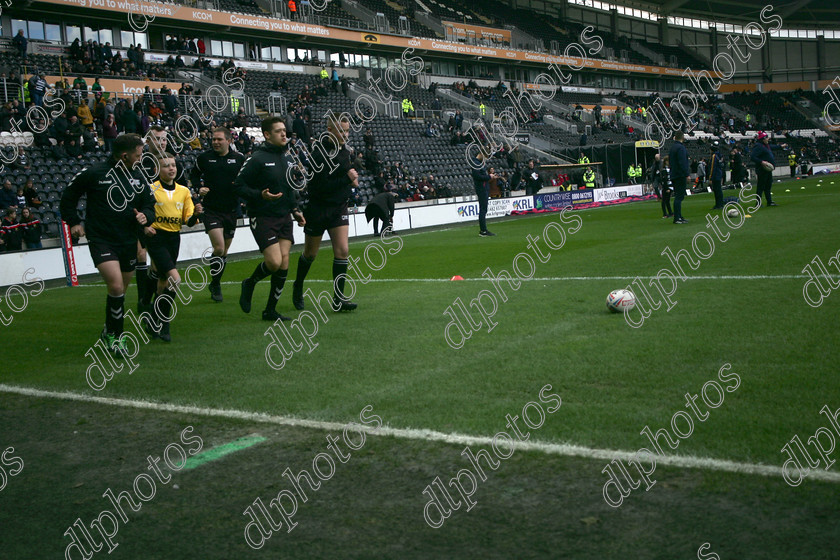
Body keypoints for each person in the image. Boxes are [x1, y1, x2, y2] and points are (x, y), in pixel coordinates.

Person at [59, 133, 154, 358]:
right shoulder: (95, 173)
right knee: (116, 286)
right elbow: (69, 195)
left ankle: (109, 329)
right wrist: (73, 221)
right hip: (102, 239)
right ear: (124, 156)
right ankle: (115, 338)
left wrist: (145, 217)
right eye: (138, 155)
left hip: (128, 240)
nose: (141, 159)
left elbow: (149, 205)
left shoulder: (139, 177)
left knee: (120, 290)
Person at [236, 116, 306, 321]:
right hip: (263, 216)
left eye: (284, 130)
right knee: (274, 262)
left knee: (284, 264)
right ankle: (250, 282)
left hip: (284, 217)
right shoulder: (257, 158)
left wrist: (295, 210)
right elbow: (239, 185)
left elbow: (289, 188)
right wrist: (260, 195)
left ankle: (270, 310)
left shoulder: (288, 158)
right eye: (278, 131)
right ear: (267, 135)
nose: (284, 134)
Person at [292, 114, 358, 312]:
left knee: (343, 251)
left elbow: (348, 176)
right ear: (330, 131)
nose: (345, 135)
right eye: (341, 130)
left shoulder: (345, 152)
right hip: (318, 208)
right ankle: (298, 285)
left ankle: (338, 299)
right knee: (310, 254)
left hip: (339, 207)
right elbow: (319, 187)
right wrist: (348, 179)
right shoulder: (319, 154)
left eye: (347, 131)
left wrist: (351, 178)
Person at [140, 154, 201, 342]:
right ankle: (164, 322)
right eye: (166, 166)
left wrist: (196, 214)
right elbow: (140, 211)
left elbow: (189, 221)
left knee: (163, 281)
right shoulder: (150, 189)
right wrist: (144, 226)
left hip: (174, 237)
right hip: (156, 237)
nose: (171, 169)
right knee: (175, 279)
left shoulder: (184, 191)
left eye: (173, 165)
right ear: (158, 170)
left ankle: (153, 319)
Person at [190, 127, 246, 302]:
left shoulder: (239, 159)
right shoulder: (204, 158)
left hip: (231, 210)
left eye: (219, 139)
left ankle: (215, 282)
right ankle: (216, 284)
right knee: (219, 247)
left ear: (229, 141)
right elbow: (193, 174)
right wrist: (199, 188)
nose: (215, 142)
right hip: (211, 210)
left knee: (224, 252)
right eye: (213, 139)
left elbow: (246, 178)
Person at [750, 131, 778, 207]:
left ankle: (769, 201)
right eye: (766, 138)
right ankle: (758, 203)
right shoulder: (759, 146)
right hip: (762, 169)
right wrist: (761, 161)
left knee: (768, 186)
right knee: (761, 186)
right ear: (762, 139)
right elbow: (753, 157)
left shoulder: (766, 146)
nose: (768, 139)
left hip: (767, 169)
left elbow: (773, 147)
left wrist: (781, 146)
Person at [471, 152, 495, 237]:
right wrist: (489, 177)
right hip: (482, 188)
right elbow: (477, 176)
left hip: (483, 188)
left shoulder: (477, 163)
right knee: (483, 209)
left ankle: (483, 230)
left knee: (483, 209)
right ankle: (483, 230)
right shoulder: (476, 164)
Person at [668, 130, 690, 224]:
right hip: (679, 175)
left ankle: (679, 216)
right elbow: (682, 162)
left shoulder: (672, 147)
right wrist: (687, 174)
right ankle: (677, 217)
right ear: (682, 137)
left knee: (678, 196)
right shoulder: (680, 148)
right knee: (679, 197)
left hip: (674, 174)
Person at [708, 143, 724, 209]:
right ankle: (720, 204)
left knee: (717, 190)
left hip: (715, 175)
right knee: (719, 190)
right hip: (719, 174)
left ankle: (718, 204)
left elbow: (712, 167)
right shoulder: (719, 155)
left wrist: (711, 177)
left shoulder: (714, 156)